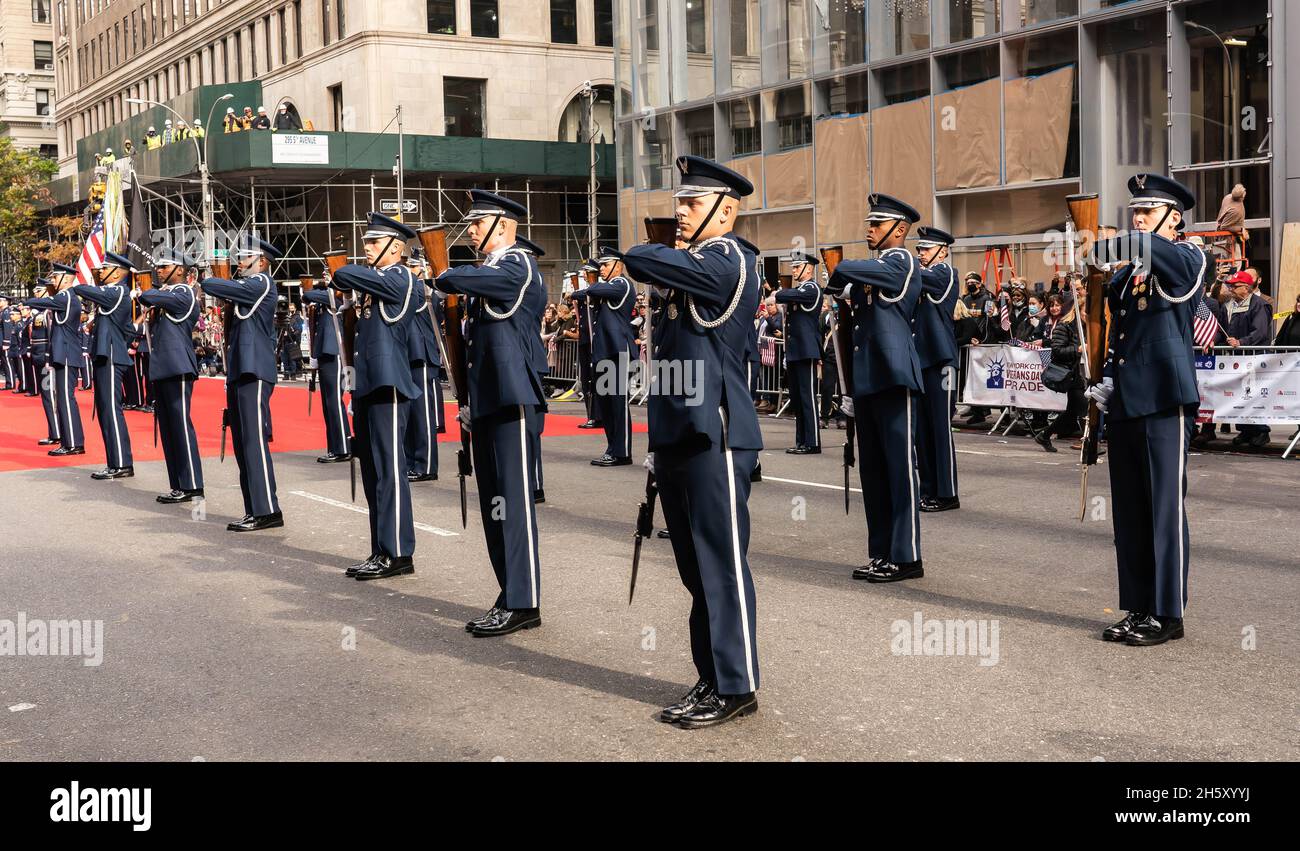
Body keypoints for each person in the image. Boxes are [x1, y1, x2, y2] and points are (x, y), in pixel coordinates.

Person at [622, 155, 761, 729]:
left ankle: (736, 684)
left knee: (719, 563)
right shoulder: (691, 263)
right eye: (680, 203)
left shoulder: (728, 259)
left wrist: (664, 254)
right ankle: (711, 676)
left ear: (725, 213)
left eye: (693, 204)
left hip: (716, 432)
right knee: (693, 568)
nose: (680, 213)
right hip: (682, 428)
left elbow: (635, 257)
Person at [1088, 174, 1204, 647]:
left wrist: (1107, 246)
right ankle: (1138, 606)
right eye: (1135, 211)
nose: (1137, 218)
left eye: (1148, 211)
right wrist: (1106, 381)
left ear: (1174, 217)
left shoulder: (1191, 256)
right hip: (1128, 399)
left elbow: (1158, 257)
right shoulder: (1127, 272)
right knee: (1131, 511)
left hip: (1164, 398)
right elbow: (1117, 333)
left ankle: (1167, 613)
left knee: (1163, 510)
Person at [434, 191, 547, 637]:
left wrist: (447, 273)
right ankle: (508, 592)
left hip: (513, 395)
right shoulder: (488, 271)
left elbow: (463, 282)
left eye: (478, 224)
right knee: (494, 503)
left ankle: (524, 600)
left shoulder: (517, 265)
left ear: (502, 225)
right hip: (487, 397)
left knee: (514, 502)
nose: (472, 231)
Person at [828, 194, 924, 584]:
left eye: (877, 224)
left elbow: (846, 271)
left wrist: (838, 275)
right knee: (875, 471)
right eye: (870, 223)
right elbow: (845, 297)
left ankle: (907, 556)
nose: (869, 229)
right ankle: (882, 552)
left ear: (899, 230)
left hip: (894, 374)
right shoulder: (874, 270)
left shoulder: (900, 260)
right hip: (868, 379)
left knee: (900, 469)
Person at [330, 214, 424, 580]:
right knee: (372, 471)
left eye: (373, 242)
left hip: (390, 384)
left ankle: (399, 550)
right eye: (366, 242)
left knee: (390, 470)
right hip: (369, 382)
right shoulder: (375, 283)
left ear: (396, 248)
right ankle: (380, 548)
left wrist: (339, 270)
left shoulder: (399, 278)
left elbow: (344, 275)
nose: (366, 248)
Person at [203, 237, 284, 532]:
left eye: (244, 258)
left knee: (253, 441)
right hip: (240, 369)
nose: (239, 263)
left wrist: (213, 274)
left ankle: (267, 509)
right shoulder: (243, 292)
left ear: (260, 262)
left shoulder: (261, 283)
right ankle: (254, 508)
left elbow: (214, 286)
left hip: (256, 369)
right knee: (241, 443)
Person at [136, 249, 205, 503]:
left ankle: (193, 484)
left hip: (178, 366)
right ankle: (178, 484)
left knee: (180, 426)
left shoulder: (184, 292)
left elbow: (147, 295)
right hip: (163, 367)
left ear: (180, 270)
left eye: (165, 267)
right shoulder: (165, 296)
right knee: (168, 428)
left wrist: (146, 294)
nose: (160, 270)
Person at [71, 252, 137, 479]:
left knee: (111, 410)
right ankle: (115, 462)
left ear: (117, 272)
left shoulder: (117, 291)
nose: (99, 272)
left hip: (110, 356)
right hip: (106, 354)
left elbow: (81, 289)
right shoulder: (112, 294)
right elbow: (128, 329)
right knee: (105, 411)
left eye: (103, 268)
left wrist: (78, 279)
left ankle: (121, 463)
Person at [570, 245, 635, 466]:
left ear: (619, 265)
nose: (602, 269)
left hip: (617, 352)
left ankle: (622, 452)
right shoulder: (606, 286)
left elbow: (593, 290)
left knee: (617, 404)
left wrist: (586, 290)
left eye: (606, 265)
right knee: (607, 405)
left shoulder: (622, 284)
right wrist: (583, 291)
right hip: (605, 351)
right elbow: (583, 293)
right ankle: (612, 448)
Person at [913, 226, 960, 512]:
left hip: (941, 362)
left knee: (940, 429)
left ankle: (947, 493)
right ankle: (928, 490)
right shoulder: (921, 277)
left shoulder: (945, 273)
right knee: (923, 432)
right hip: (922, 361)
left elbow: (914, 276)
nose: (920, 254)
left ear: (942, 251)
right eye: (919, 249)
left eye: (926, 250)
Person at [24, 265, 86, 456]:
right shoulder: (65, 297)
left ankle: (74, 443)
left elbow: (37, 303)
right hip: (62, 352)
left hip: (66, 352)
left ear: (66, 279)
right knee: (63, 399)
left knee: (66, 400)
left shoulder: (65, 297)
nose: (51, 281)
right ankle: (68, 441)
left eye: (55, 278)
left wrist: (29, 300)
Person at [773, 253, 824, 455]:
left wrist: (778, 293)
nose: (793, 271)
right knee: (797, 398)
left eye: (797, 267)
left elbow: (783, 295)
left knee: (807, 398)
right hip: (796, 351)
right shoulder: (799, 290)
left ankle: (812, 442)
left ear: (809, 269)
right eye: (793, 267)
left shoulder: (811, 288)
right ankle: (802, 440)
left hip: (806, 350)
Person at [301, 279, 354, 464]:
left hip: (334, 352)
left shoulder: (337, 298)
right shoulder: (329, 298)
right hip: (326, 352)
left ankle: (343, 448)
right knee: (328, 404)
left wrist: (322, 284)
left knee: (333, 402)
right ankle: (336, 446)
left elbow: (307, 295)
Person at [403, 249, 444, 484]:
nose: (408, 271)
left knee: (422, 414)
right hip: (411, 353)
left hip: (422, 353)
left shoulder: (422, 289)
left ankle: (426, 464)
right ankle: (412, 461)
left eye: (412, 267)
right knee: (412, 414)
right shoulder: (417, 288)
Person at [1222, 270, 1274, 449]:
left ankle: (1261, 430)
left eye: (1235, 286)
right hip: (1238, 359)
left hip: (1254, 358)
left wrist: (1241, 342)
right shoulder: (1232, 305)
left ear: (1246, 288)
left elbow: (1260, 332)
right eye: (1231, 286)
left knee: (1254, 394)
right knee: (1240, 395)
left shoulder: (1258, 304)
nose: (1231, 289)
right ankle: (1245, 429)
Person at [1032, 293, 1084, 453]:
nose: (1087, 314)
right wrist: (1078, 349)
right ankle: (1089, 441)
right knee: (1084, 408)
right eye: (1084, 310)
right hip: (1074, 374)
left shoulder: (1090, 326)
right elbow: (1057, 350)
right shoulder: (1065, 325)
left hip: (1084, 373)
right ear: (1077, 310)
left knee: (1071, 412)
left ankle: (1044, 435)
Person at [573, 263, 602, 430]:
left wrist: (577, 294)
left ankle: (597, 416)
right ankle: (591, 415)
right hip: (585, 339)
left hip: (593, 340)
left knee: (594, 379)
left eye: (587, 272)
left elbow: (584, 293)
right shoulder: (587, 293)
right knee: (586, 379)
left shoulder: (596, 290)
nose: (584, 275)